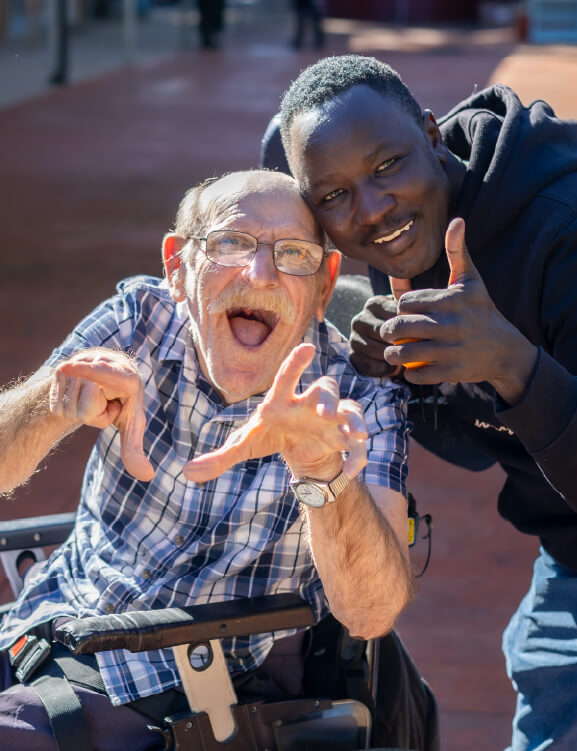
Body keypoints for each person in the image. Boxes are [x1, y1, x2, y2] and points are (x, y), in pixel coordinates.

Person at [0, 169, 437, 750]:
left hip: (198, 684)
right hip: (56, 624)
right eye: (232, 243)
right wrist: (52, 402)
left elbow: (371, 615)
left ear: (325, 286)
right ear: (178, 267)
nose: (261, 274)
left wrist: (321, 472)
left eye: (294, 254)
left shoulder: (357, 396)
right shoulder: (137, 322)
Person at [260, 54, 577, 751]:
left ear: (433, 136)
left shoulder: (570, 233)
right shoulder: (412, 234)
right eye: (334, 196)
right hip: (573, 542)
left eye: (386, 167)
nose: (372, 209)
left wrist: (513, 363)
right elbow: (484, 444)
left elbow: (516, 388)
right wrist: (415, 375)